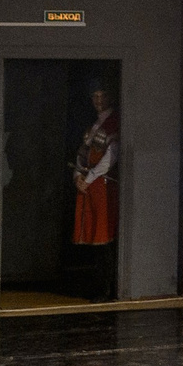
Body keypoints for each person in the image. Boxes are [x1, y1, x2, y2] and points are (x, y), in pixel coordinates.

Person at [71, 84, 120, 247]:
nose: (99, 100)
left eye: (103, 96)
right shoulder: (94, 124)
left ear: (110, 98)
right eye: (95, 96)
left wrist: (89, 178)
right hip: (87, 183)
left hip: (101, 184)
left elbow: (110, 156)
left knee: (102, 230)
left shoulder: (114, 122)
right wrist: (78, 176)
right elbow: (82, 153)